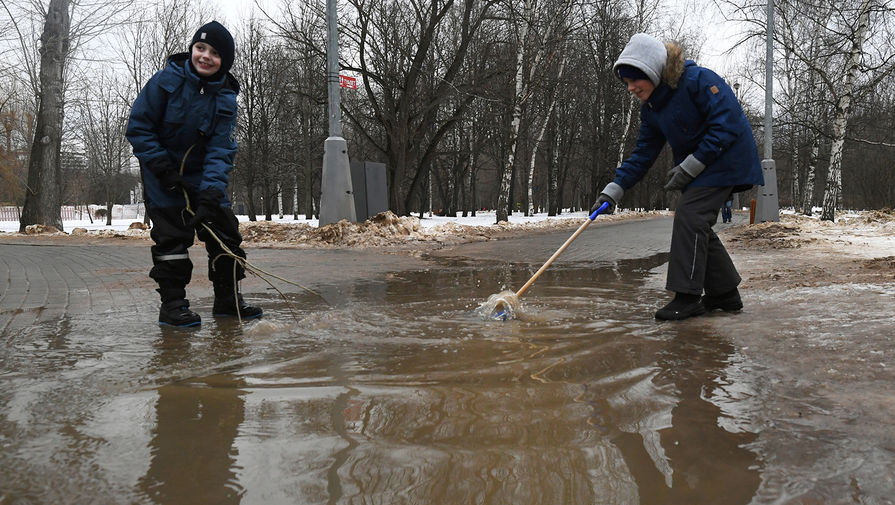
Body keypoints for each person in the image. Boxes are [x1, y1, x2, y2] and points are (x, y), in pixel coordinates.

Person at [592, 33, 763, 320]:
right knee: (695, 224)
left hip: (729, 158)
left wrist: (692, 165)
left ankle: (688, 296)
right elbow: (644, 154)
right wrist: (615, 189)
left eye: (636, 79)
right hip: (702, 167)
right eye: (627, 83)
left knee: (690, 215)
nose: (631, 88)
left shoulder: (698, 81)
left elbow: (728, 123)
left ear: (653, 70)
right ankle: (725, 294)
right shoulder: (652, 109)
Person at [126, 21, 262, 327]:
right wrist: (162, 168)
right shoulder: (165, 82)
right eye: (200, 48)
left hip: (203, 178)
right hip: (163, 176)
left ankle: (228, 302)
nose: (205, 56)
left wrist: (212, 191)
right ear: (191, 50)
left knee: (225, 235)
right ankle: (173, 306)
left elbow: (221, 149)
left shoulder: (226, 99)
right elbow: (139, 126)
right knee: (172, 241)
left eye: (214, 53)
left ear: (223, 61)